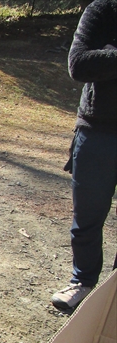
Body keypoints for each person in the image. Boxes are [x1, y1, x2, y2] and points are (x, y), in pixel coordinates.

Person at [51, 0, 117, 310]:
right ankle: (83, 282)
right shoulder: (103, 10)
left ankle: (113, 296)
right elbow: (78, 64)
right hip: (97, 132)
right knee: (87, 219)